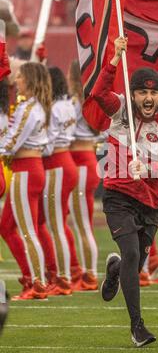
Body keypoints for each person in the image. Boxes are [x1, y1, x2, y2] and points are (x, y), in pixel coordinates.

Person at [83, 36, 158, 347]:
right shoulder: (121, 110)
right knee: (131, 253)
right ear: (133, 93)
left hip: (152, 202)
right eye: (142, 91)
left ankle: (114, 267)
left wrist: (150, 167)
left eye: (153, 92)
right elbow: (98, 93)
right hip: (119, 195)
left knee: (132, 263)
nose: (147, 98)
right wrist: (114, 58)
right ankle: (137, 327)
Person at [0, 62, 51, 300]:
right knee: (8, 225)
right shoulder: (32, 106)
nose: (16, 80)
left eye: (20, 77)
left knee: (27, 230)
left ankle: (38, 282)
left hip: (26, 169)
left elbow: (13, 140)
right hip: (28, 167)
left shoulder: (30, 108)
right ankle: (31, 276)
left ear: (29, 80)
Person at [42, 66, 80, 290]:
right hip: (67, 160)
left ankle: (64, 277)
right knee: (60, 223)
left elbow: (50, 142)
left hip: (57, 162)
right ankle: (70, 271)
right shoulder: (67, 105)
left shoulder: (56, 107)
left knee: (56, 225)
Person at [68, 59, 105, 290]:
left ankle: (90, 274)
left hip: (81, 161)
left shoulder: (76, 103)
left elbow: (65, 133)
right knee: (83, 221)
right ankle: (87, 272)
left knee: (82, 223)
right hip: (89, 160)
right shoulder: (92, 102)